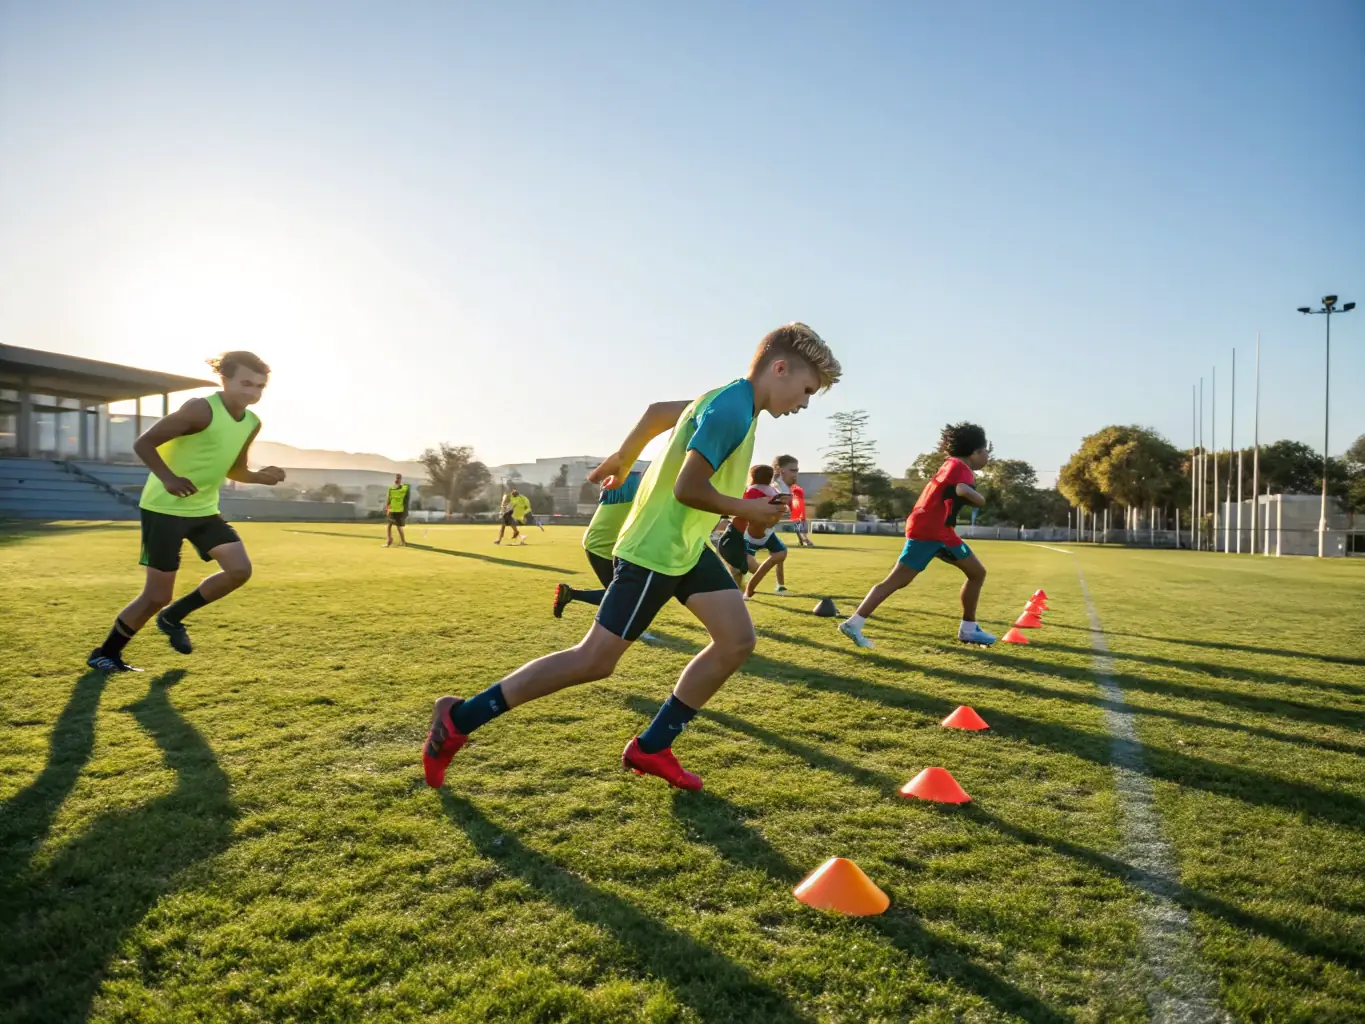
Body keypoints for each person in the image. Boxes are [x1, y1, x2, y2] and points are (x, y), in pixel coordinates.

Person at [422, 323, 842, 792]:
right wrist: (746, 508)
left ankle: (653, 747)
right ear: (779, 368)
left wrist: (624, 457)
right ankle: (458, 719)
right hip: (656, 549)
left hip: (684, 547)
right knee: (595, 660)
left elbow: (658, 412)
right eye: (805, 390)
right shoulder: (731, 411)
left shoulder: (729, 400)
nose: (803, 403)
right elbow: (688, 487)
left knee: (736, 640)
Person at [85, 351, 286, 671]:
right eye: (246, 383)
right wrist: (169, 479)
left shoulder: (251, 422)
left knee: (239, 570)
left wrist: (265, 476)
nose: (253, 392)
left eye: (260, 386)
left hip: (203, 509)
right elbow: (144, 443)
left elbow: (235, 469)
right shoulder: (200, 409)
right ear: (226, 379)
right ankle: (105, 654)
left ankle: (173, 618)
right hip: (164, 510)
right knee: (155, 595)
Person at [839, 422, 995, 649]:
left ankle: (969, 629)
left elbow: (950, 489)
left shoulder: (950, 464)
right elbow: (963, 490)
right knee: (896, 580)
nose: (988, 456)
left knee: (976, 572)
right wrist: (973, 495)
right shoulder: (962, 469)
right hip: (931, 531)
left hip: (938, 530)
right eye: (986, 450)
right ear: (976, 452)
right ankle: (853, 623)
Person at [715, 464, 790, 598]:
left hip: (739, 535)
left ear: (752, 477)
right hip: (743, 535)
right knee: (744, 569)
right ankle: (740, 591)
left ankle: (741, 590)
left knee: (745, 569)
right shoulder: (769, 492)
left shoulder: (755, 491)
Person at [384, 473, 411, 547]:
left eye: (398, 478)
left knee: (399, 527)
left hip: (399, 510)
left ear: (400, 479)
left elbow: (408, 490)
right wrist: (387, 508)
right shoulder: (391, 488)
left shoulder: (404, 488)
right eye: (396, 478)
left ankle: (403, 541)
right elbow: (388, 498)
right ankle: (389, 540)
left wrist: (401, 485)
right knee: (389, 526)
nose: (397, 480)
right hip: (392, 509)